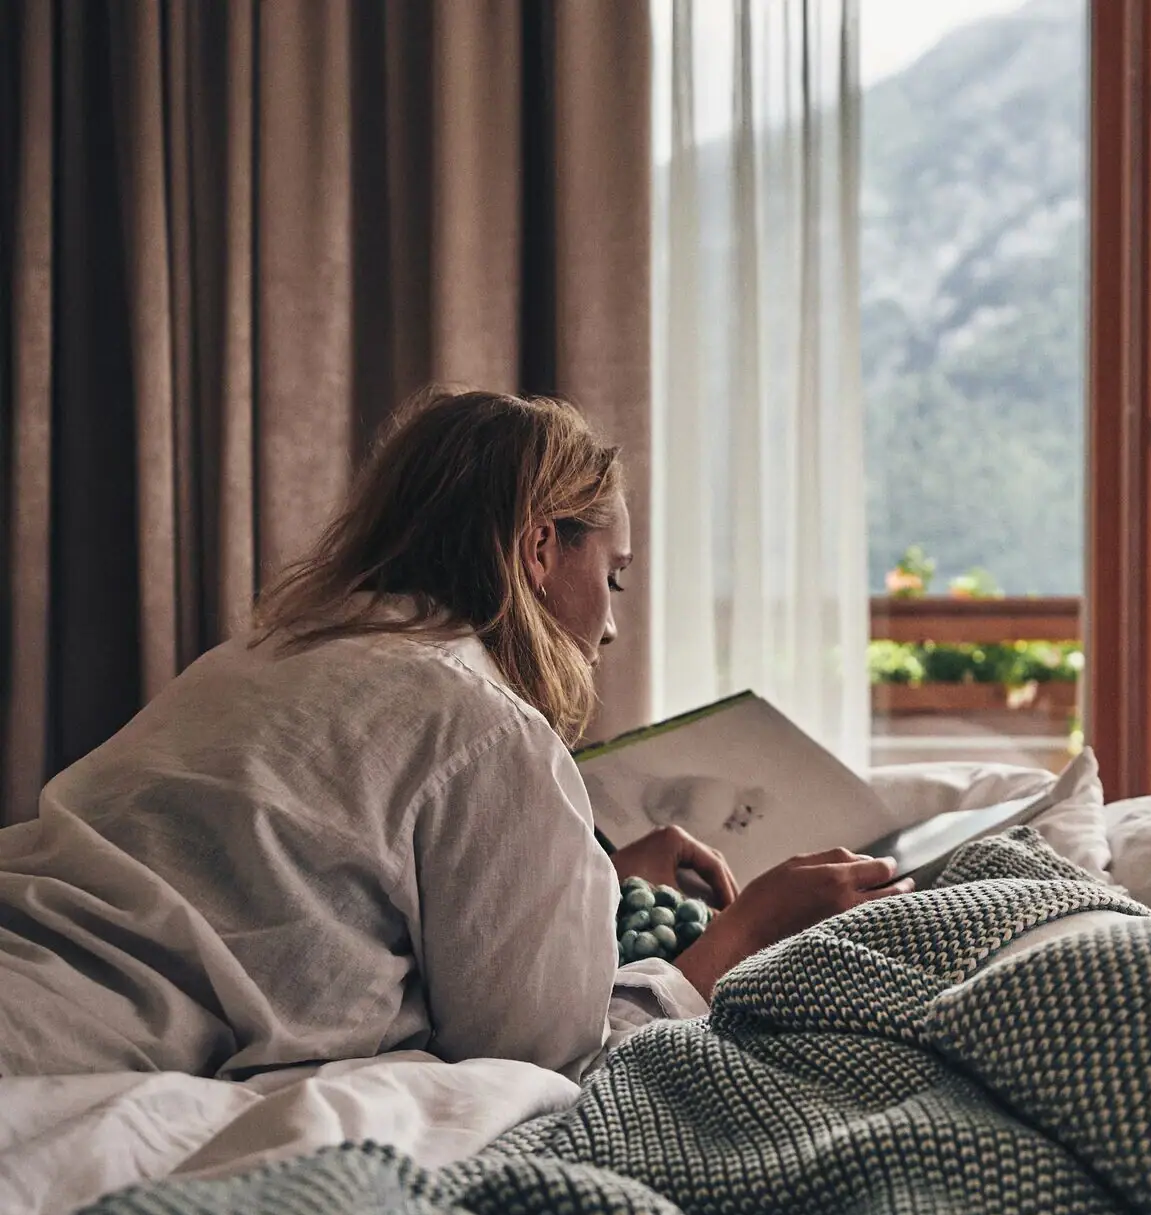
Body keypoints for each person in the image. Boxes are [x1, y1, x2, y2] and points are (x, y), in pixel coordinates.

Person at [0, 387, 908, 1081]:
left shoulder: (265, 655)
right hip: (72, 1043)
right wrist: (742, 936)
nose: (610, 627)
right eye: (614, 577)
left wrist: (586, 880)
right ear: (540, 548)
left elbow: (305, 872)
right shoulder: (483, 724)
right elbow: (545, 1064)